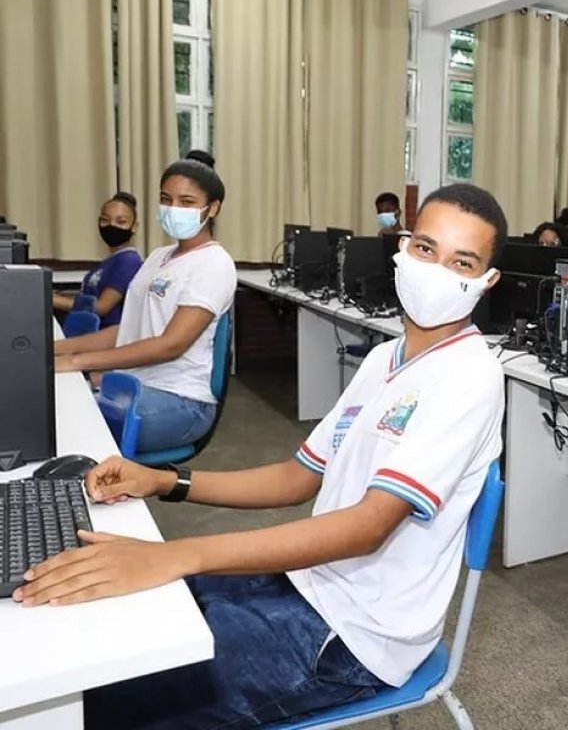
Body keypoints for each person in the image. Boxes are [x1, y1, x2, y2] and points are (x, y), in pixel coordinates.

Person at [16, 184, 507, 730]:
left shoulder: (470, 376)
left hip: (353, 638)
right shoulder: (385, 359)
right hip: (306, 581)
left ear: (485, 282)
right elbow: (296, 477)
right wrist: (163, 480)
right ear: (402, 248)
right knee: (121, 627)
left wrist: (178, 554)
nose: (436, 270)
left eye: (461, 262)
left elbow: (368, 527)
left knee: (111, 701)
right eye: (425, 249)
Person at [52, 159, 237, 453]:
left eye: (186, 201)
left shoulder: (214, 263)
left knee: (69, 424)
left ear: (212, 208)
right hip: (136, 382)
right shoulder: (158, 257)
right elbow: (125, 332)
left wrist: (77, 362)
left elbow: (170, 345)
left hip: (181, 400)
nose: (173, 208)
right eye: (166, 199)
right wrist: (54, 350)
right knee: (54, 403)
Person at [51, 192, 143, 329]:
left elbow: (102, 307)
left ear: (134, 227)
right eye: (105, 220)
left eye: (121, 222)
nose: (111, 225)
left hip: (107, 337)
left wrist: (52, 300)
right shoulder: (109, 260)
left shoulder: (128, 261)